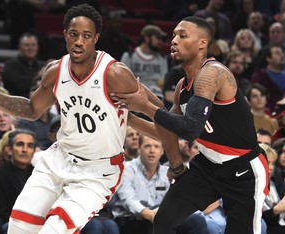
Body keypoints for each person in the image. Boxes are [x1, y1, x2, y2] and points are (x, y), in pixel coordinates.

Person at [0, 3, 170, 233]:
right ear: (65, 35)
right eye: (73, 34)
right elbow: (33, 110)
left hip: (97, 172)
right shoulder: (55, 70)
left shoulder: (115, 73)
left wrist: (132, 118)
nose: (79, 41)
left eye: (86, 36)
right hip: (59, 159)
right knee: (18, 228)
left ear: (96, 38)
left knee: (53, 230)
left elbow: (165, 121)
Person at [111, 16, 269, 234]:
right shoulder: (181, 88)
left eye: (182, 35)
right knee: (164, 222)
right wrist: (129, 117)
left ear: (202, 43)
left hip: (243, 170)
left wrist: (145, 107)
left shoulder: (213, 73)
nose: (174, 40)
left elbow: (191, 128)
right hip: (207, 166)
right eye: (174, 35)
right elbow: (168, 131)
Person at [112, 134, 207, 234]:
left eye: (156, 146)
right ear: (139, 149)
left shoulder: (167, 173)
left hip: (159, 217)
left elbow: (176, 201)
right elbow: (128, 199)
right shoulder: (127, 169)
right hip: (132, 219)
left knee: (196, 221)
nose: (152, 150)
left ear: (162, 151)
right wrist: (150, 215)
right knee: (158, 224)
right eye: (147, 146)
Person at [0, 129, 36, 233]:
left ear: (34, 151)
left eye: (30, 146)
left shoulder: (39, 175)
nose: (25, 149)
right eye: (20, 144)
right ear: (10, 149)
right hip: (11, 224)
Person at [120, 24, 168, 89]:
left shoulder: (162, 58)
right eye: (158, 38)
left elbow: (163, 81)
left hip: (157, 95)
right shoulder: (129, 56)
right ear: (147, 38)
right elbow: (123, 80)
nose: (161, 42)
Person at [1, 33, 45, 98]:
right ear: (19, 47)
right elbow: (18, 85)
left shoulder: (43, 65)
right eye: (26, 45)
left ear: (37, 47)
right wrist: (38, 76)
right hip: (15, 104)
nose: (30, 48)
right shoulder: (10, 65)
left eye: (33, 45)